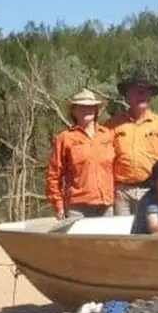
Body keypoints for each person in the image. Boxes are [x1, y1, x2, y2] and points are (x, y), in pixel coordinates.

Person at [106, 72, 158, 216]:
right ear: (127, 97)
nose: (142, 96)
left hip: (152, 190)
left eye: (145, 92)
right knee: (124, 235)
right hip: (122, 192)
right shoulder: (111, 126)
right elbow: (105, 160)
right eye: (137, 92)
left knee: (153, 233)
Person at [44, 87, 116, 219]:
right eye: (81, 107)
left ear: (96, 110)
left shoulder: (108, 135)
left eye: (90, 107)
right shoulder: (65, 138)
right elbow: (53, 176)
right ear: (74, 111)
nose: (86, 110)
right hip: (78, 208)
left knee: (106, 240)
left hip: (106, 207)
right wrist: (58, 206)